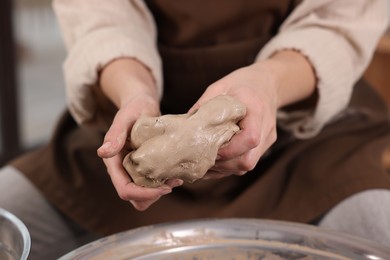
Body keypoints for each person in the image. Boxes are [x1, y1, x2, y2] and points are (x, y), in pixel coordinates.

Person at [1, 0, 390, 258]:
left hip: (305, 127)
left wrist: (268, 85)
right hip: (127, 122)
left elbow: (337, 24)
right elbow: (100, 17)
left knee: (377, 230)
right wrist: (135, 91)